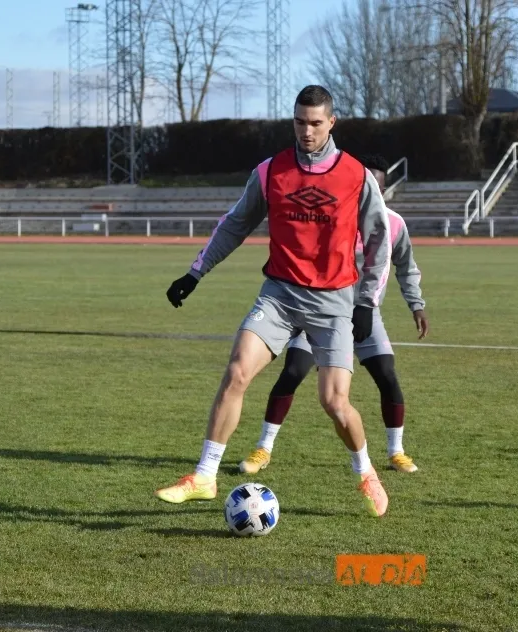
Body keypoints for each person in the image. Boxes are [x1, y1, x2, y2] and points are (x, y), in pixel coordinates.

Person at [156, 85, 392, 517]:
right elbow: (235, 224)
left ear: (331, 123)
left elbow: (379, 240)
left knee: (334, 403)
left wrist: (366, 302)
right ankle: (204, 475)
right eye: (300, 122)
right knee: (236, 371)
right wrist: (195, 273)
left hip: (334, 302)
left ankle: (366, 471)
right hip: (280, 295)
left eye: (316, 124)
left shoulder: (356, 175)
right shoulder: (270, 172)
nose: (307, 132)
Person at [239, 153, 428, 476]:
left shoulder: (394, 224)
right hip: (321, 309)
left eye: (379, 187)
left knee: (386, 374)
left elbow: (405, 266)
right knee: (294, 371)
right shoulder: (330, 215)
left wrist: (416, 304)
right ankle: (263, 447)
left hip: (366, 314)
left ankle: (396, 451)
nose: (373, 193)